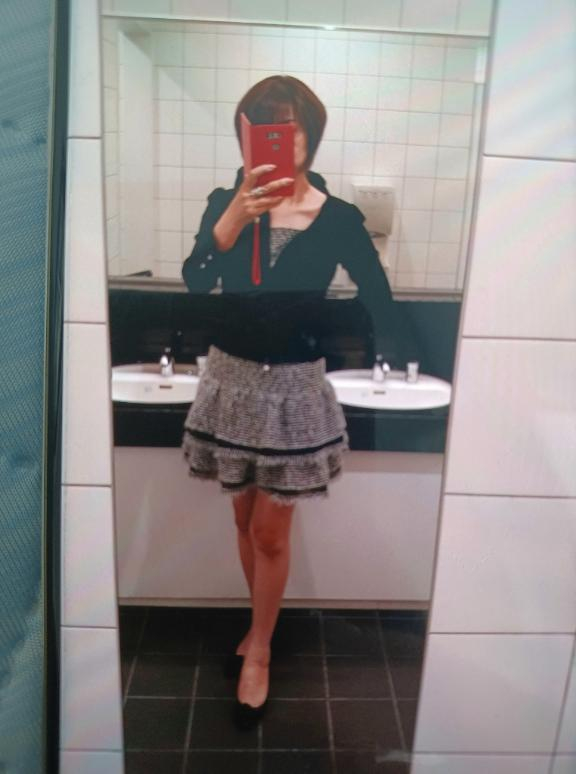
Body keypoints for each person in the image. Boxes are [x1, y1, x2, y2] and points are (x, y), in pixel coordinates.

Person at [181, 76, 398, 729]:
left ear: (311, 135)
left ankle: (261, 649)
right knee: (243, 521)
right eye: (263, 128)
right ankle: (259, 628)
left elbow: (377, 296)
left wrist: (340, 340)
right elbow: (195, 283)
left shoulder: (339, 218)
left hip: (293, 389)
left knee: (271, 532)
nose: (279, 139)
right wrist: (229, 225)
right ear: (247, 138)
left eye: (290, 127)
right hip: (230, 381)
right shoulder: (225, 203)